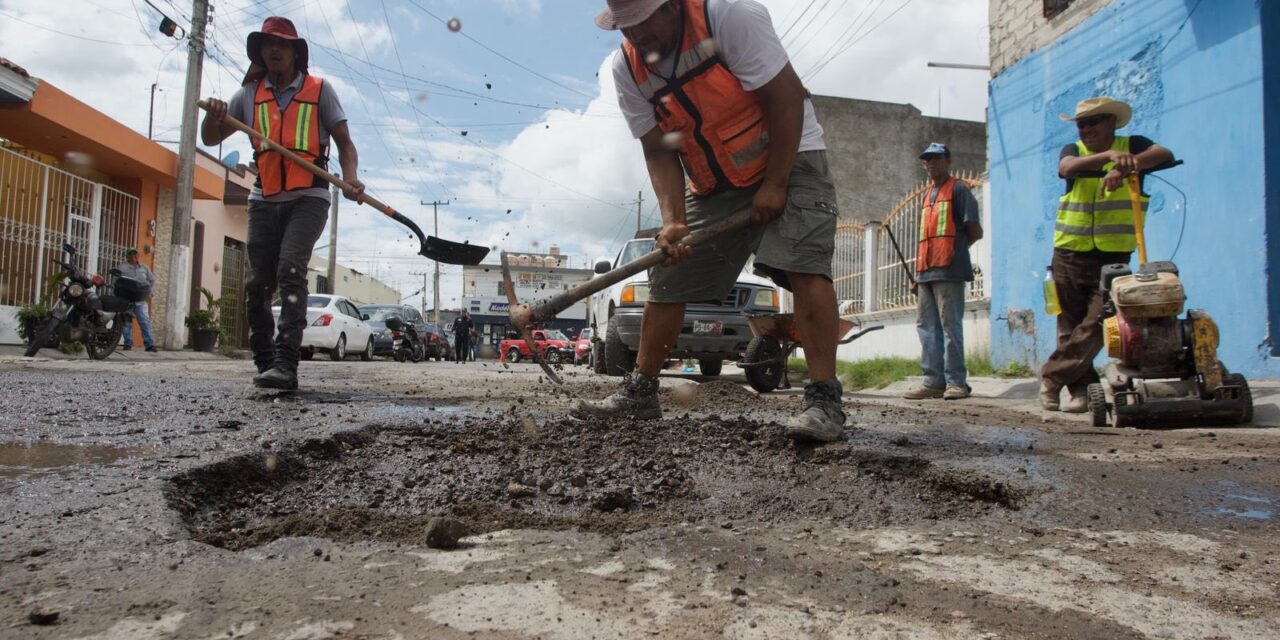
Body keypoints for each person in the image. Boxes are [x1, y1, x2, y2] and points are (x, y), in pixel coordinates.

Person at [577, 0, 846, 442]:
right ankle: (641, 392)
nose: (638, 38)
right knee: (670, 272)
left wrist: (775, 184)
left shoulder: (729, 17)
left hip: (789, 154)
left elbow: (785, 97)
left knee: (805, 267)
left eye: (644, 24)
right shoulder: (625, 68)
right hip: (713, 180)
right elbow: (658, 148)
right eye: (627, 29)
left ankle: (824, 402)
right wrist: (674, 221)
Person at [198, 16, 363, 390]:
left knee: (291, 270)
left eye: (282, 44)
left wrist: (350, 178)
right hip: (264, 197)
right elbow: (210, 139)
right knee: (258, 283)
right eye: (268, 44)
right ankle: (266, 361)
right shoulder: (248, 95)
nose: (274, 49)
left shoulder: (320, 90)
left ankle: (287, 364)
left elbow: (345, 144)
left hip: (310, 196)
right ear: (260, 52)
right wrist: (215, 116)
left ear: (294, 53)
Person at [1041, 97, 1173, 412]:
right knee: (1070, 325)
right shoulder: (1074, 151)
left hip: (1113, 257)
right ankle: (1081, 392)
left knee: (1101, 322)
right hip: (1069, 251)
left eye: (1093, 122)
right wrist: (1106, 159)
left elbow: (1164, 154)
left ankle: (1050, 377)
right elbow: (1066, 168)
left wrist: (1128, 163)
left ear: (1111, 122)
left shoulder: (1134, 145)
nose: (1085, 129)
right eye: (1081, 124)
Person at [901, 144, 983, 401]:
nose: (931, 163)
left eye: (936, 158)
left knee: (950, 327)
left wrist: (956, 251)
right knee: (926, 328)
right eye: (927, 160)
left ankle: (956, 382)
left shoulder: (959, 189)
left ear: (948, 160)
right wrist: (918, 276)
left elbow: (974, 230)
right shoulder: (927, 195)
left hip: (949, 270)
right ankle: (933, 381)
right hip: (926, 272)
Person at [115, 248, 158, 353]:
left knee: (144, 322)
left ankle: (149, 345)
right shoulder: (122, 267)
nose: (133, 256)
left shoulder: (144, 267)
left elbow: (152, 280)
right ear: (127, 256)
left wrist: (150, 293)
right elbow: (116, 281)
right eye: (130, 254)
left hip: (141, 300)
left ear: (138, 256)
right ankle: (127, 343)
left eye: (135, 254)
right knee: (126, 321)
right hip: (126, 299)